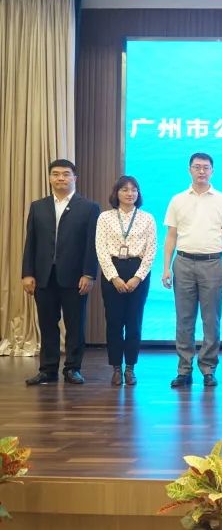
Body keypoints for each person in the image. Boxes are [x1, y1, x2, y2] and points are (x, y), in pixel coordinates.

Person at [22, 159, 100, 385]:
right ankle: (47, 370)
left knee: (75, 325)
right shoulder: (38, 206)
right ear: (49, 178)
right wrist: (27, 273)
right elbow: (31, 242)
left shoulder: (89, 207)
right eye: (55, 174)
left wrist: (89, 274)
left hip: (75, 277)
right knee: (47, 324)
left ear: (75, 178)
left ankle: (72, 369)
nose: (61, 178)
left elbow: (92, 245)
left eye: (66, 174)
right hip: (43, 276)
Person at [162, 152, 222, 388]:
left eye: (206, 167)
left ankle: (208, 369)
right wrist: (166, 267)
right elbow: (171, 235)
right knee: (184, 319)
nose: (201, 171)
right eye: (197, 167)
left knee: (211, 319)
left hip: (213, 263)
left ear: (212, 171)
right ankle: (184, 369)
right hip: (183, 262)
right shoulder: (178, 200)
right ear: (189, 170)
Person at [94, 175, 157, 386]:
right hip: (113, 271)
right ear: (117, 193)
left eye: (134, 190)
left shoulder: (147, 218)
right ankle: (115, 368)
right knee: (114, 322)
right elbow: (101, 250)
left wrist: (138, 277)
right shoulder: (105, 217)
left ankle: (130, 368)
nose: (130, 193)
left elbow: (151, 251)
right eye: (125, 190)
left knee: (134, 322)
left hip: (138, 271)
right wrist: (114, 277)